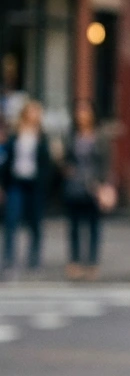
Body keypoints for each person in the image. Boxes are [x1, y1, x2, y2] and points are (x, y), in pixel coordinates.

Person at [3, 100, 54, 273]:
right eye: (31, 112)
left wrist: (45, 184)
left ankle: (34, 258)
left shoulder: (42, 136)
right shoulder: (15, 134)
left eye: (36, 113)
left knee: (35, 222)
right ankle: (9, 258)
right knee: (11, 220)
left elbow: (47, 163)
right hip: (16, 182)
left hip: (34, 184)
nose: (34, 116)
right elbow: (7, 160)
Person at [63, 101, 112, 280]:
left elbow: (106, 163)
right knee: (74, 226)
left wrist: (105, 184)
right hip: (74, 185)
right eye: (79, 111)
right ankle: (74, 261)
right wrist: (66, 168)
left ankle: (92, 262)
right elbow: (66, 159)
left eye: (85, 111)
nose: (82, 115)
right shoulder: (71, 135)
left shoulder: (100, 136)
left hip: (94, 186)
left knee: (93, 226)